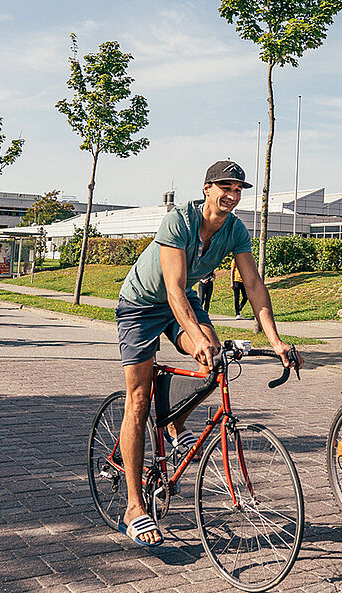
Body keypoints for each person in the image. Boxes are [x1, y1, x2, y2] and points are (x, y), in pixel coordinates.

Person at [114, 160, 301, 549]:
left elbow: (252, 282)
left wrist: (276, 339)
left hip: (182, 303)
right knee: (138, 400)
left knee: (214, 359)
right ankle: (134, 507)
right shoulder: (179, 221)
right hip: (143, 305)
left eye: (238, 190)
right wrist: (195, 335)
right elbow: (174, 288)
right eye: (225, 187)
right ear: (206, 188)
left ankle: (174, 422)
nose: (232, 196)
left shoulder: (234, 230)